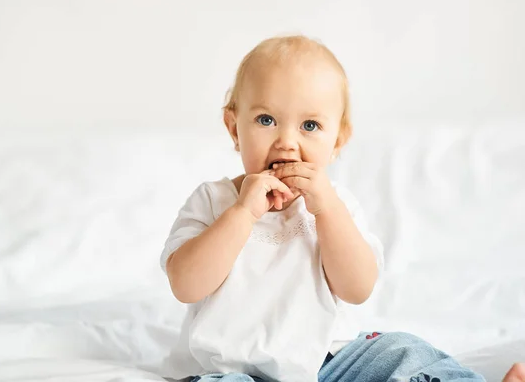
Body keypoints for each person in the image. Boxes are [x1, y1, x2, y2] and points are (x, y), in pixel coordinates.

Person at [159, 35, 525, 382]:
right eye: (266, 120)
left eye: (310, 125)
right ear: (233, 127)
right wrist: (241, 214)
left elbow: (357, 288)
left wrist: (328, 211)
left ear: (337, 141)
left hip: (328, 364)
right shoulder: (213, 200)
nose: (287, 141)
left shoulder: (335, 207)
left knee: (403, 351)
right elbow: (186, 285)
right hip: (230, 368)